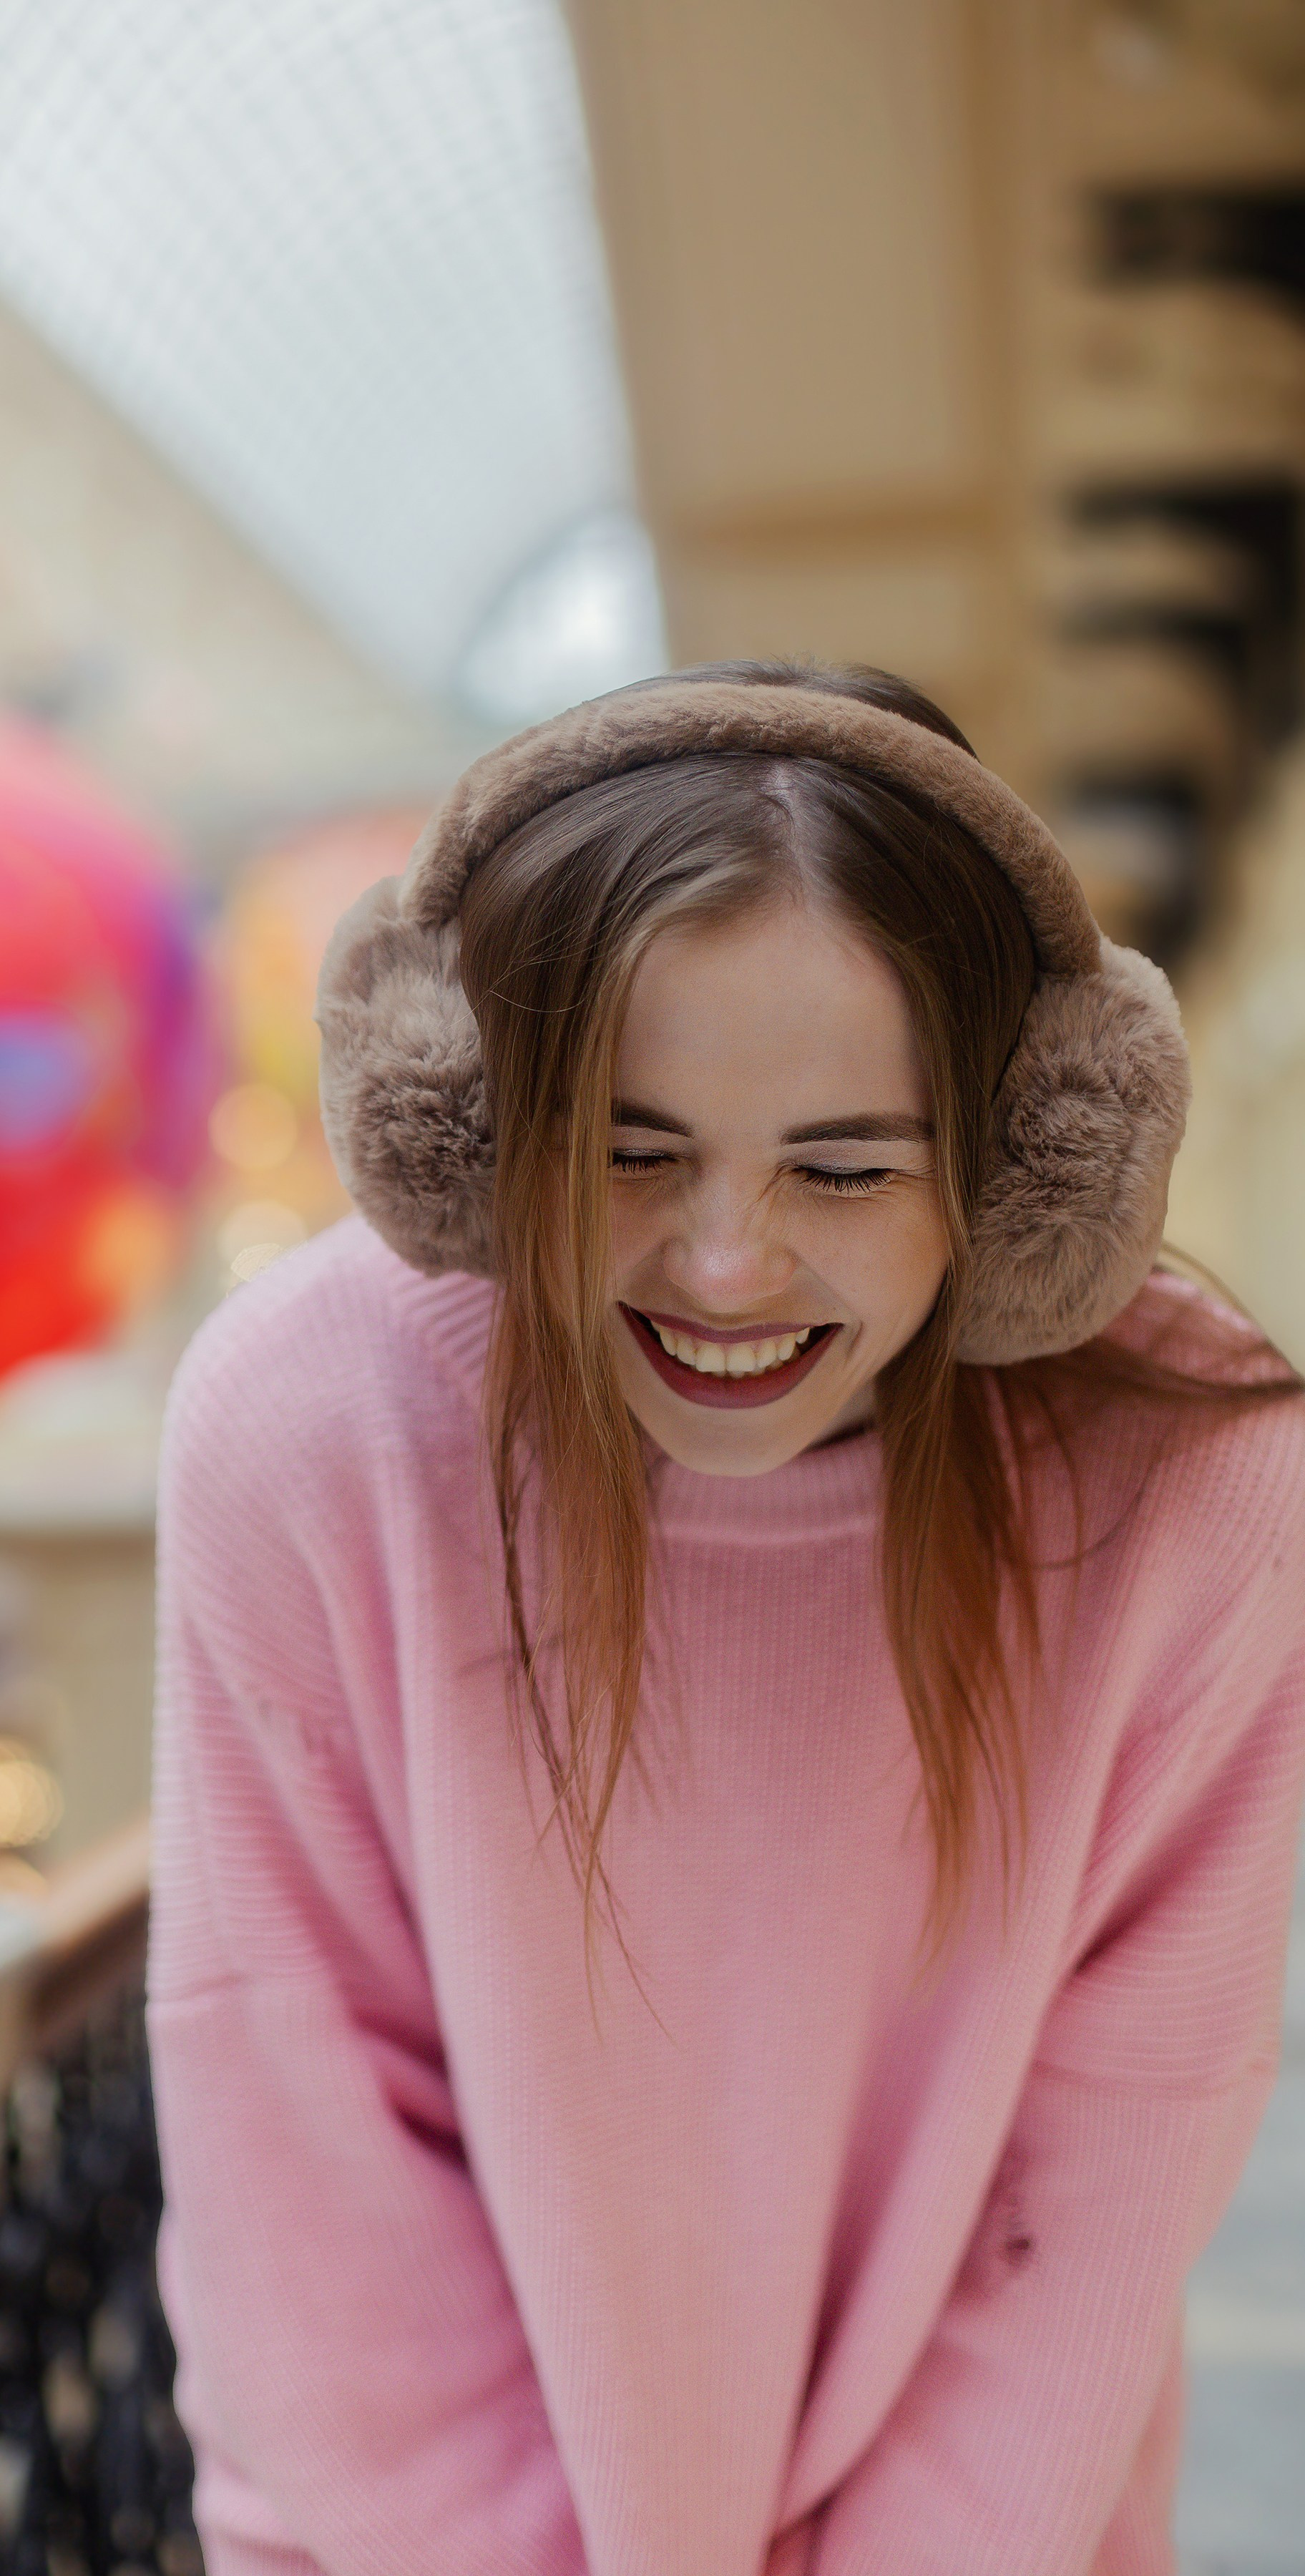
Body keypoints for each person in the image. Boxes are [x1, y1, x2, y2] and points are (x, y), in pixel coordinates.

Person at [147, 662, 1305, 2576]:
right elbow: (299, 2114)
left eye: (847, 1166)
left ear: (1031, 1165)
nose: (726, 1265)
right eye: (624, 1150)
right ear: (467, 1130)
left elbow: (1107, 2167)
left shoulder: (1196, 1473)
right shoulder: (306, 1420)